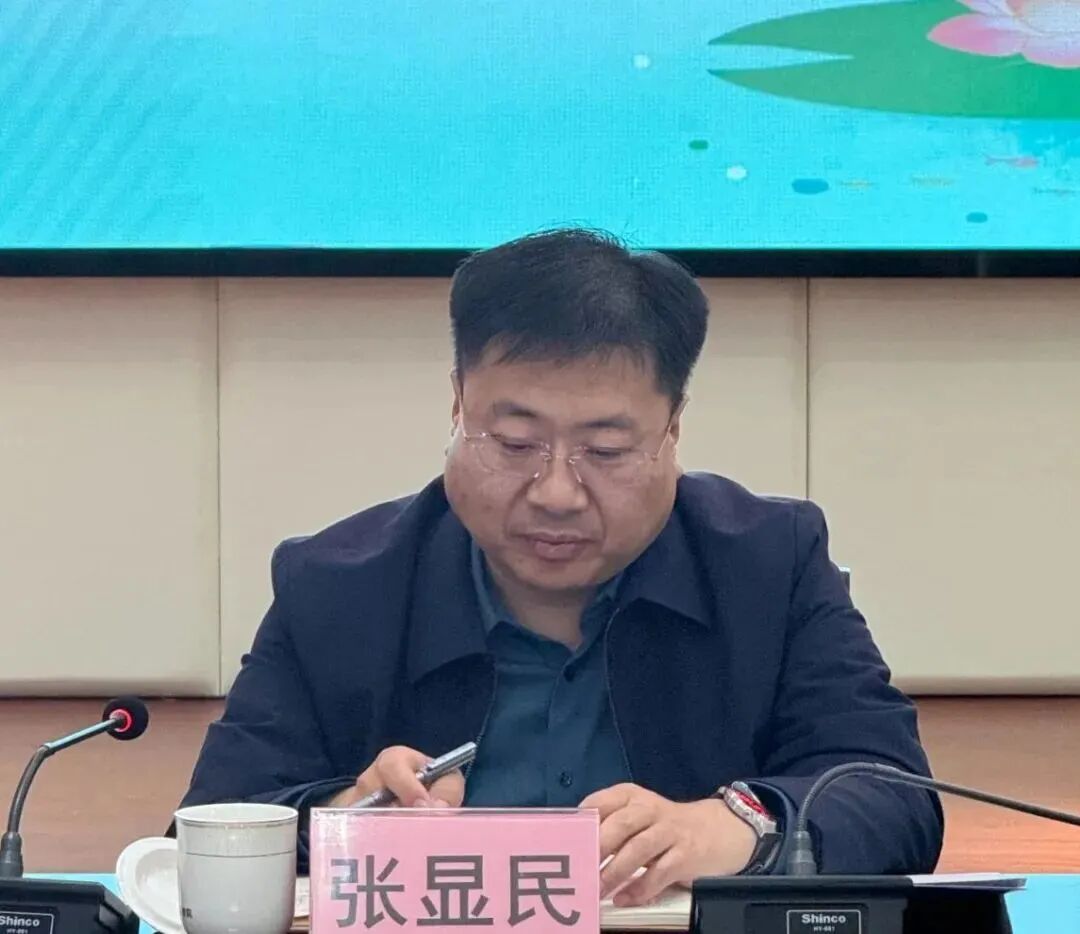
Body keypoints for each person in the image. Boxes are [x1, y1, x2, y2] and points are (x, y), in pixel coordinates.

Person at [180, 229, 943, 906]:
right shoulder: (337, 587)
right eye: (515, 444)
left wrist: (734, 827)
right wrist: (346, 816)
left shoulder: (769, 562)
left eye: (605, 451)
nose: (555, 492)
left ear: (673, 429)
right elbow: (208, 829)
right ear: (457, 406)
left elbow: (896, 800)